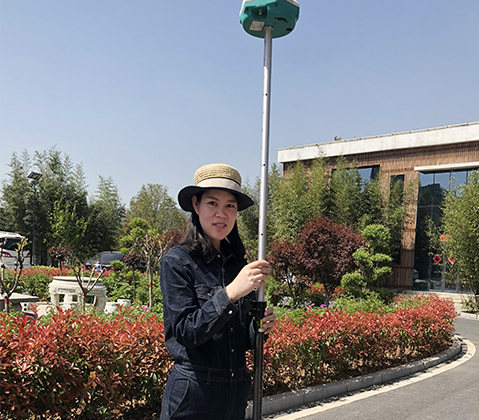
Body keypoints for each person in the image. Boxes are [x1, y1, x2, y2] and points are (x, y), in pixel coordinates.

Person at [159, 163, 276, 420]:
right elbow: (186, 332)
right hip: (194, 395)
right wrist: (231, 293)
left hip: (235, 393)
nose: (221, 214)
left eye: (230, 206)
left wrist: (259, 326)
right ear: (196, 205)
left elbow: (242, 340)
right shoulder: (177, 262)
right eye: (212, 203)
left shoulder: (238, 265)